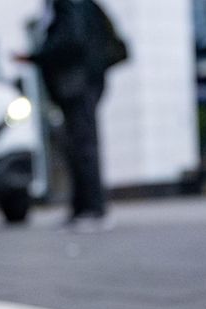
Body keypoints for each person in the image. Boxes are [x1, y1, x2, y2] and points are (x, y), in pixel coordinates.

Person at [25, 0, 127, 232]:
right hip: (82, 81)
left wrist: (38, 55)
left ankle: (93, 210)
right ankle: (83, 209)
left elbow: (71, 37)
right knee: (78, 145)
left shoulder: (68, 3)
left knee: (83, 146)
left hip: (78, 82)